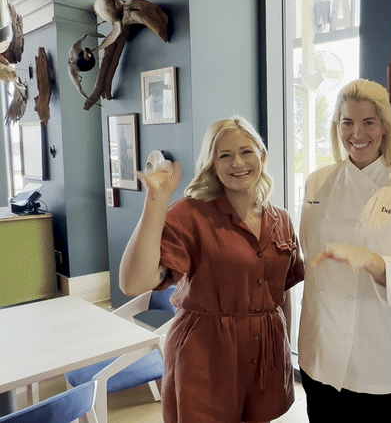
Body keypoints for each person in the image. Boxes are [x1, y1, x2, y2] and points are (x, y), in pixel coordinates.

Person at [119, 116, 304, 423]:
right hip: (206, 356)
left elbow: (283, 291)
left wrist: (283, 345)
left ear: (262, 156)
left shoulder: (281, 219)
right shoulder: (191, 214)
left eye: (247, 152)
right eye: (225, 155)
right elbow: (134, 283)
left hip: (264, 357)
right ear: (212, 165)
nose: (238, 163)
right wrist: (156, 201)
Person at [298, 79, 391, 422]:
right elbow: (307, 250)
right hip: (321, 349)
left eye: (368, 122)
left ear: (385, 127)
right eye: (347, 122)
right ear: (337, 127)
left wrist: (371, 260)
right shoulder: (317, 182)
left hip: (380, 354)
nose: (357, 133)